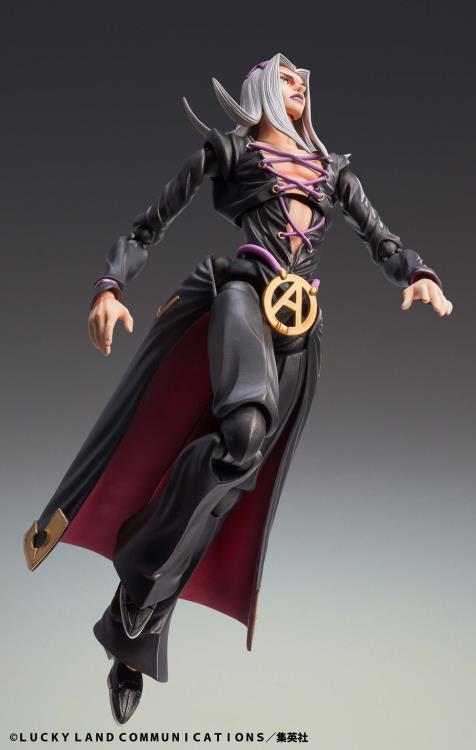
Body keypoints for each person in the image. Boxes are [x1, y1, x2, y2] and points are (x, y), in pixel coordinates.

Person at [23, 52, 453, 724]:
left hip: (299, 323)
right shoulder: (230, 151)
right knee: (241, 435)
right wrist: (110, 287)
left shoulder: (334, 171)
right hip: (245, 293)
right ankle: (138, 576)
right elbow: (148, 224)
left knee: (236, 481)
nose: (299, 83)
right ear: (259, 89)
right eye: (285, 76)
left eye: (303, 77)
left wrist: (418, 274)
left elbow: (384, 240)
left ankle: (134, 627)